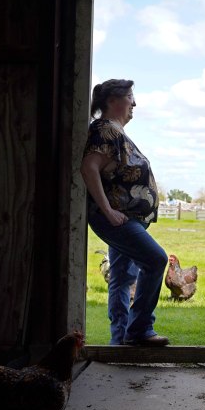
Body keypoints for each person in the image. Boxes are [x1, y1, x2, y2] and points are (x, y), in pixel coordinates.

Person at [80, 79, 169, 346]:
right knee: (156, 260)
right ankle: (139, 330)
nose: (134, 102)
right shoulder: (106, 130)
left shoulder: (114, 132)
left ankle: (120, 340)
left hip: (127, 218)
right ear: (112, 100)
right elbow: (89, 168)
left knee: (121, 277)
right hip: (118, 218)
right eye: (130, 96)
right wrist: (107, 211)